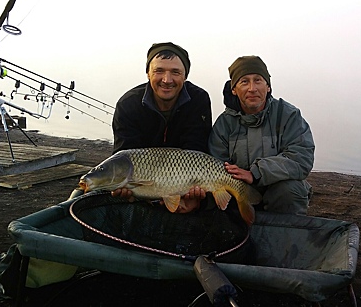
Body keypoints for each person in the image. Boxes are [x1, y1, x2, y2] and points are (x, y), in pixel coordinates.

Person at [109, 42, 212, 212]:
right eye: (159, 71)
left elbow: (195, 151)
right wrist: (127, 190)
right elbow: (125, 154)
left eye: (175, 72)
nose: (167, 80)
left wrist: (190, 195)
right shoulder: (128, 104)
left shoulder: (199, 99)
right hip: (144, 184)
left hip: (182, 181)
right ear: (148, 73)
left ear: (185, 76)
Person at [208, 55, 315, 215]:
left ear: (268, 86)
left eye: (258, 80)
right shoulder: (224, 124)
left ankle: (285, 233)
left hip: (277, 189)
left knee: (291, 190)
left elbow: (301, 158)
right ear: (234, 90)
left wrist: (256, 173)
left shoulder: (288, 115)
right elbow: (216, 163)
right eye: (244, 81)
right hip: (237, 189)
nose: (252, 88)